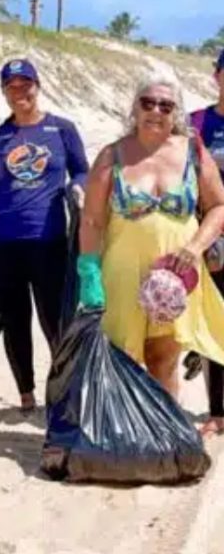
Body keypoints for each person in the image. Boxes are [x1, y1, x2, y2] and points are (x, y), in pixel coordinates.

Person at [78, 71, 224, 402]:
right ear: (135, 108)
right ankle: (120, 435)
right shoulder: (111, 155)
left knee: (163, 359)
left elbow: (218, 207)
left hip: (177, 276)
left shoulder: (193, 152)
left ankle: (165, 436)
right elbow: (91, 220)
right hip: (121, 273)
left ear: (176, 114)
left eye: (166, 106)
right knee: (120, 357)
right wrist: (88, 272)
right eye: (148, 103)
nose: (156, 111)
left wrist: (195, 247)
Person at [0, 59, 89, 411]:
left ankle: (64, 391)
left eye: (25, 84)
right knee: (14, 320)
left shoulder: (62, 130)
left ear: (37, 86)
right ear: (3, 92)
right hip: (1, 241)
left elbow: (82, 171)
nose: (20, 92)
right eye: (11, 86)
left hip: (47, 239)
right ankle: (25, 394)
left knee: (55, 319)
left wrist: (78, 188)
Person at [186, 48, 224, 435]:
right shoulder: (196, 123)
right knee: (218, 323)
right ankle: (218, 411)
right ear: (217, 75)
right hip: (213, 240)